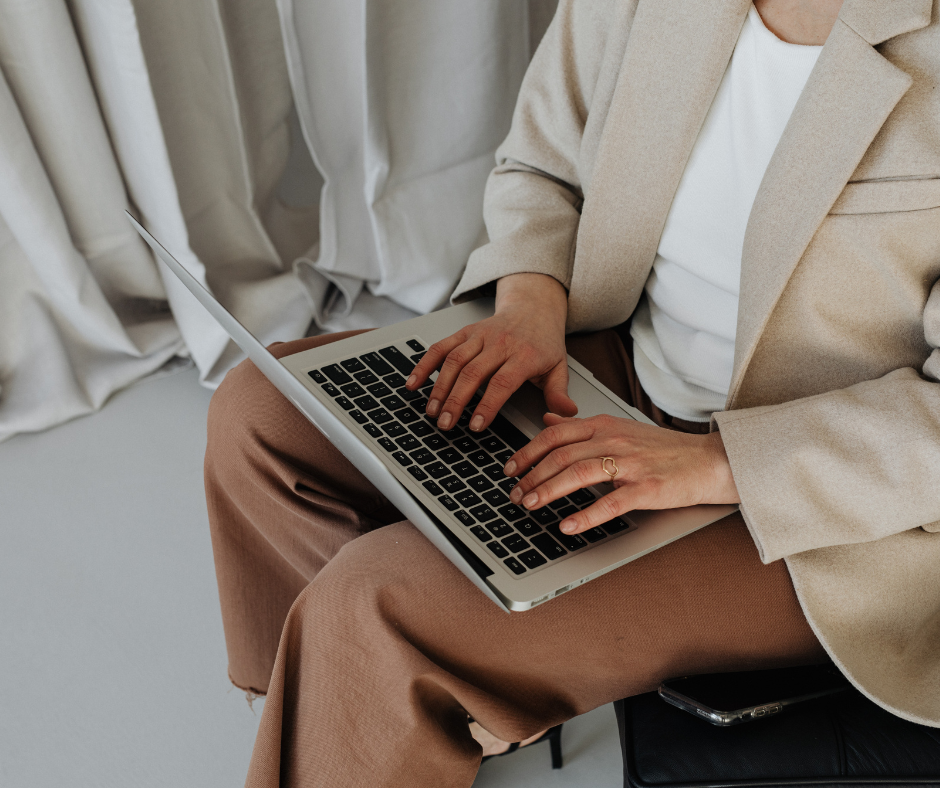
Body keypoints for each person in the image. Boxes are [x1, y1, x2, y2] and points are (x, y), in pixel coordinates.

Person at [204, 0, 940, 785]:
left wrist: (712, 464)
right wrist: (529, 303)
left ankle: (386, 689)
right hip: (624, 373)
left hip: (827, 515)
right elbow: (542, 163)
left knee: (379, 601)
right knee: (263, 414)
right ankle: (356, 720)